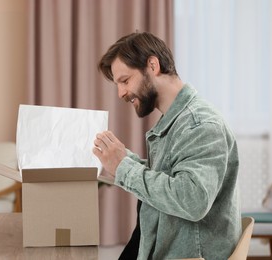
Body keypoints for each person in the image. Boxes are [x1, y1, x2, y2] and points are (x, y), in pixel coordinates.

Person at [92, 32, 242, 259]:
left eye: (125, 80)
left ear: (153, 65)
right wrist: (122, 160)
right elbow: (173, 175)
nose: (121, 93)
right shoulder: (176, 120)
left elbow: (192, 200)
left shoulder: (199, 125)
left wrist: (124, 167)